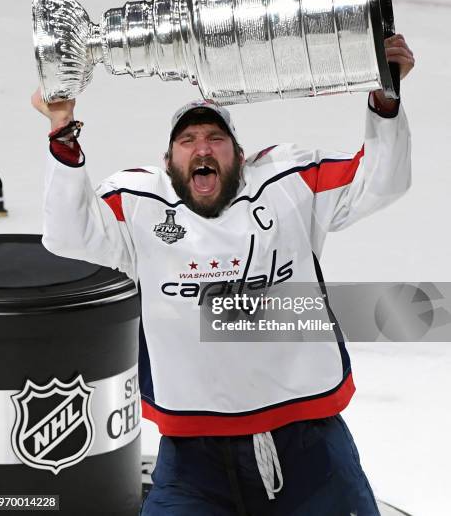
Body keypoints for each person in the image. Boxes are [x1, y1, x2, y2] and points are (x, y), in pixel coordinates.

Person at [32, 33, 414, 516]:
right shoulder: (139, 203)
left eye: (215, 138)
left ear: (240, 154)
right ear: (168, 162)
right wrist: (62, 128)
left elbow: (380, 181)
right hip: (193, 463)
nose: (202, 148)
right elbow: (69, 233)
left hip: (311, 451)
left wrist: (386, 97)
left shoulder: (287, 184)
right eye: (187, 141)